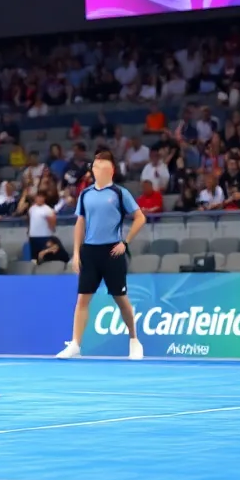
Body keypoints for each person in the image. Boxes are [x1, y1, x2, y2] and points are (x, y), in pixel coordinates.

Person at [58, 149, 147, 361]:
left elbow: (140, 218)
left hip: (112, 251)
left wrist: (125, 242)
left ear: (110, 170)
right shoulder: (85, 194)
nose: (96, 169)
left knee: (121, 299)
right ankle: (75, 344)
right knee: (82, 299)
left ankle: (134, 341)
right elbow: (80, 223)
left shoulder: (119, 193)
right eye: (95, 165)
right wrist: (76, 253)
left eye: (101, 166)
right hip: (90, 251)